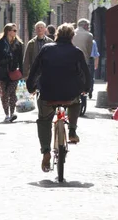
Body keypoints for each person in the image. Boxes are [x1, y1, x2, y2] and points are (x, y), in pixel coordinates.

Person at [26, 22, 91, 172]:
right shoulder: (77, 52)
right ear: (72, 36)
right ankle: (73, 131)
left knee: (43, 121)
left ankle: (46, 151)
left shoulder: (46, 49)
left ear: (56, 35)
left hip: (48, 94)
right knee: (76, 103)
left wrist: (31, 87)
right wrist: (85, 89)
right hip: (70, 94)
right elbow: (85, 73)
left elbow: (35, 69)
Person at [0, 23, 23, 123]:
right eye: (14, 30)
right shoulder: (1, 43)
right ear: (8, 31)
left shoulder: (18, 44)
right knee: (4, 94)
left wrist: (22, 72)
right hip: (2, 72)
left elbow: (20, 59)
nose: (15, 32)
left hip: (14, 71)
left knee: (12, 92)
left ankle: (12, 113)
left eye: (15, 31)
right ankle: (6, 114)